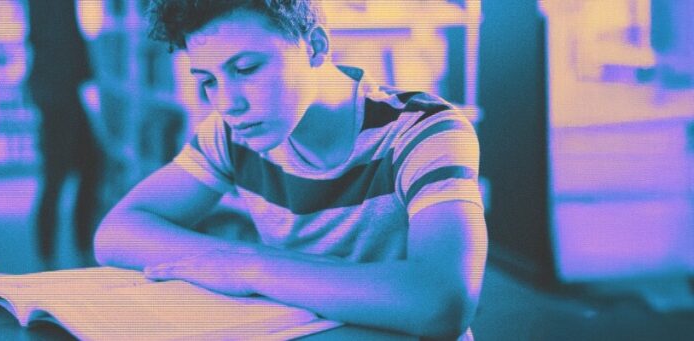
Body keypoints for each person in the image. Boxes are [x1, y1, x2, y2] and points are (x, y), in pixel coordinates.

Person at [93, 1, 487, 339]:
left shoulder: (424, 131)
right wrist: (241, 260)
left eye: (246, 69)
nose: (227, 104)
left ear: (315, 46)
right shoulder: (234, 134)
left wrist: (251, 268)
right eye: (208, 81)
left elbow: (441, 302)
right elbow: (115, 233)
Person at [25, 0, 105, 268]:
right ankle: (49, 256)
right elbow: (56, 37)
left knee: (90, 166)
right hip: (58, 92)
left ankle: (77, 247)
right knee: (56, 175)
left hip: (62, 89)